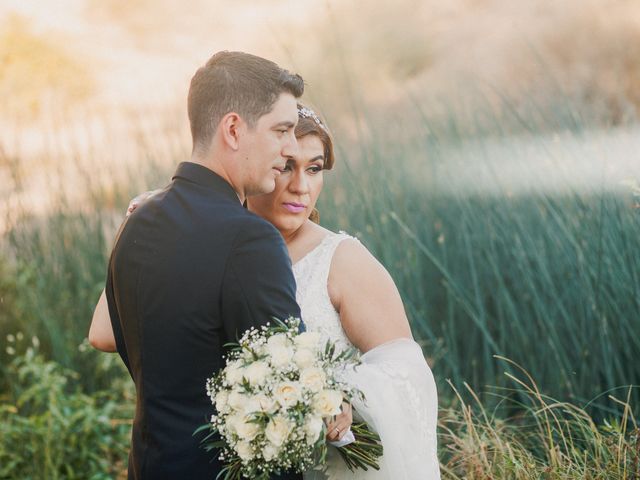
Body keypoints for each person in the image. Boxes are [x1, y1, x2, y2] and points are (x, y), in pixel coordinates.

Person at [107, 105, 441, 479]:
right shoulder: (210, 245)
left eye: (314, 169)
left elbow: (407, 372)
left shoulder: (343, 261)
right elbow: (105, 333)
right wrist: (155, 218)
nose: (301, 186)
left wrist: (339, 396)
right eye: (286, 167)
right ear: (258, 168)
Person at [90, 51, 314, 480]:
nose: (289, 151)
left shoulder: (135, 222)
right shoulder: (250, 239)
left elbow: (114, 338)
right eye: (281, 130)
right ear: (233, 128)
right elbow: (290, 394)